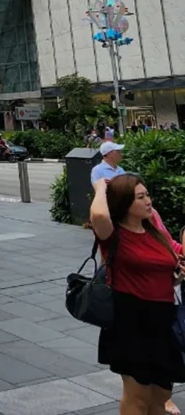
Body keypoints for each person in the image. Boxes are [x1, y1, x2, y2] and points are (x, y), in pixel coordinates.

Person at [90, 173, 185, 415]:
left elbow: (175, 252)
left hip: (163, 320)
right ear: (123, 203)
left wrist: (176, 277)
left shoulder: (152, 228)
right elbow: (100, 214)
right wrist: (101, 187)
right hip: (131, 321)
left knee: (162, 393)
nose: (148, 201)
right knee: (138, 395)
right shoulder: (113, 236)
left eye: (147, 195)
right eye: (140, 197)